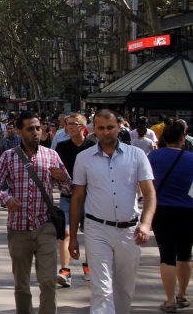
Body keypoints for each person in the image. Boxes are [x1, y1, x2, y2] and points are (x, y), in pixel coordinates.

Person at [69, 109, 157, 314]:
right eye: (101, 128)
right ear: (93, 131)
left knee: (125, 288)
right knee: (102, 288)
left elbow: (150, 194)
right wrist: (72, 236)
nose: (106, 132)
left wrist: (145, 224)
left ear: (119, 128)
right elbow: (77, 198)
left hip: (129, 231)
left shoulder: (137, 156)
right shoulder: (84, 158)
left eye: (110, 127)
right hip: (96, 229)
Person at [0, 111, 71, 314]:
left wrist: (62, 178)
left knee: (48, 282)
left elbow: (68, 190)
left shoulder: (51, 155)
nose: (36, 132)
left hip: (45, 227)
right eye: (30, 129)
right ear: (19, 131)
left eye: (38, 128)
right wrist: (6, 199)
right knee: (22, 285)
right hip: (18, 229)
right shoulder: (9, 157)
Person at [148, 120, 193, 313]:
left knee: (167, 255)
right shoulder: (191, 158)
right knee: (185, 253)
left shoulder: (154, 156)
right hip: (188, 210)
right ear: (182, 139)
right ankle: (182, 294)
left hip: (162, 210)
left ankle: (169, 300)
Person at [53, 112, 94, 287]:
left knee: (91, 233)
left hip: (90, 197)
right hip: (68, 196)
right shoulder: (62, 147)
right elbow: (55, 170)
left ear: (83, 127)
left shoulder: (93, 146)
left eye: (73, 124)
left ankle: (89, 268)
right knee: (66, 232)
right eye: (67, 124)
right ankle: (65, 270)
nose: (69, 127)